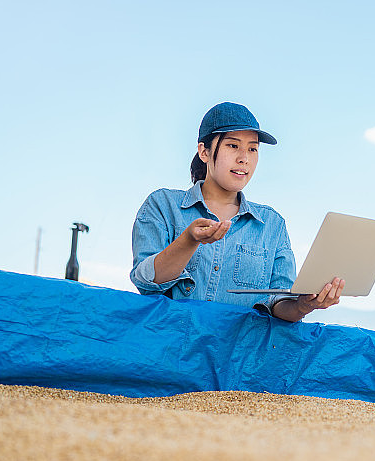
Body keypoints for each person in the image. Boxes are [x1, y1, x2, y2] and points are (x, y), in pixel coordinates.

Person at [130, 102, 343, 322]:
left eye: (253, 148)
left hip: (240, 356)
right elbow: (146, 283)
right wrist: (188, 240)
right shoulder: (163, 205)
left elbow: (279, 303)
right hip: (171, 351)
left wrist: (303, 306)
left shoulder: (272, 224)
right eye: (233, 146)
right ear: (204, 151)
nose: (244, 158)